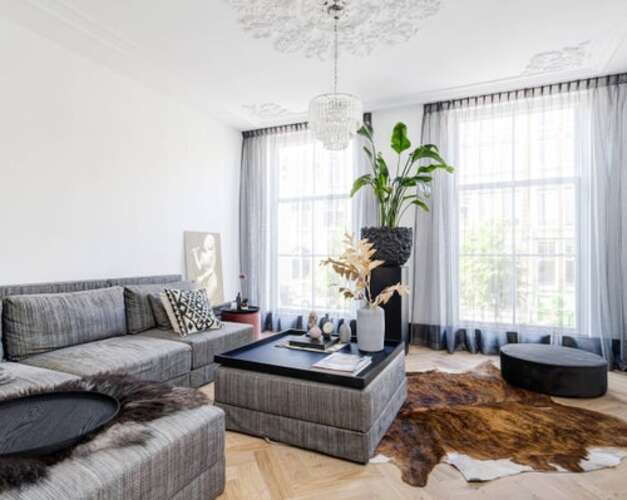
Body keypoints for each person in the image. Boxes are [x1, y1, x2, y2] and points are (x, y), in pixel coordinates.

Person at [191, 234, 220, 305]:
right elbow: (199, 267)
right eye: (207, 241)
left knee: (208, 299)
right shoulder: (202, 254)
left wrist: (202, 277)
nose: (208, 243)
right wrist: (195, 254)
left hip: (211, 278)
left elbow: (212, 269)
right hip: (203, 279)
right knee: (201, 301)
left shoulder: (213, 253)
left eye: (210, 242)